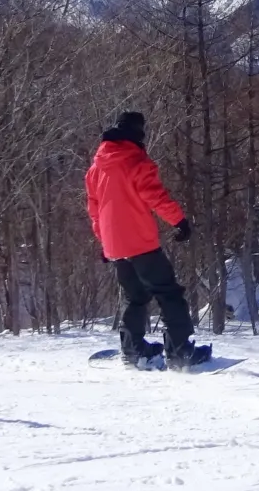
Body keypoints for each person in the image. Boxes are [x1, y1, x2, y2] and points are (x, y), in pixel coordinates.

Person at [85, 110, 211, 369]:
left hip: (115, 245)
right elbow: (155, 196)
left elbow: (95, 209)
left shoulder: (96, 168)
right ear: (136, 132)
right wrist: (179, 221)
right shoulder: (135, 162)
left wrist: (104, 242)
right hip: (140, 242)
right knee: (169, 294)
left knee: (135, 296)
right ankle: (180, 352)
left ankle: (133, 351)